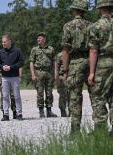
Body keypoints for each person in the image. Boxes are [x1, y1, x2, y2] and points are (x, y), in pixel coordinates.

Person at [61, 0, 91, 133]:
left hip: (75, 63)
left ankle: (75, 130)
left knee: (75, 96)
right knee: (95, 96)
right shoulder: (92, 26)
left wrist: (65, 70)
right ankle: (99, 128)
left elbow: (65, 50)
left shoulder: (68, 26)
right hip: (90, 61)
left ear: (74, 10)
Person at [88, 0, 113, 134]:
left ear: (99, 9)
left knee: (98, 95)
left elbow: (93, 51)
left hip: (103, 63)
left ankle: (100, 129)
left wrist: (91, 72)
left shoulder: (96, 26)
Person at [0, 34, 23, 121]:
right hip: (4, 77)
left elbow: (21, 63)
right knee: (5, 96)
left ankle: (19, 114)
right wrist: (2, 67)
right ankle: (6, 115)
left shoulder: (17, 51)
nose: (3, 43)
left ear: (9, 41)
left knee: (17, 96)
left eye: (4, 42)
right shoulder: (0, 52)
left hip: (14, 77)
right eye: (2, 42)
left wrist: (11, 67)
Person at [29, 32, 57, 118]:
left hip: (49, 73)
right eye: (38, 39)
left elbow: (55, 61)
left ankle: (49, 111)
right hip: (39, 72)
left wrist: (55, 73)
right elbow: (31, 62)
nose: (38, 40)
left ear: (44, 39)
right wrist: (33, 74)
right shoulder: (34, 49)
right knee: (40, 92)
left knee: (49, 93)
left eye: (40, 38)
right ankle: (41, 111)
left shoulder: (51, 49)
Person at [0, 51, 17, 119]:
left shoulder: (14, 52)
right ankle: (5, 113)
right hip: (2, 76)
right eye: (3, 42)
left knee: (14, 95)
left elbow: (18, 65)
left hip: (13, 75)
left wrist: (19, 76)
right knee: (4, 95)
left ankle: (15, 112)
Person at [55, 52, 69, 117]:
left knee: (72, 94)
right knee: (62, 94)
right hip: (62, 76)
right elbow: (56, 67)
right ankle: (62, 110)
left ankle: (71, 110)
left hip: (71, 76)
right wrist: (57, 78)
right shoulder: (60, 55)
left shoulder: (73, 54)